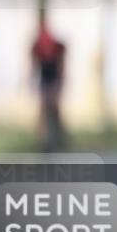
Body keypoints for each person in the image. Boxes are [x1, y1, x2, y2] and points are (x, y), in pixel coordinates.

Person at [31, 17, 67, 152]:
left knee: (55, 106)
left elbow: (62, 66)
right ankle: (43, 141)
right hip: (44, 78)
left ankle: (59, 135)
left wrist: (58, 86)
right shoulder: (36, 46)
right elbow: (33, 65)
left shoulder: (58, 46)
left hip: (55, 78)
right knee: (43, 109)